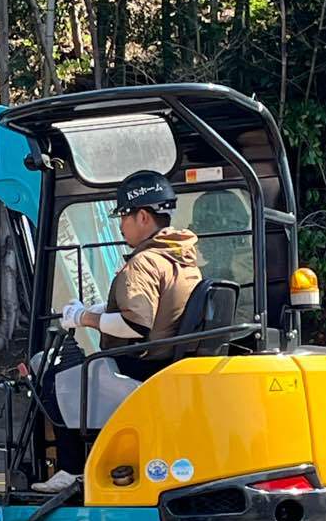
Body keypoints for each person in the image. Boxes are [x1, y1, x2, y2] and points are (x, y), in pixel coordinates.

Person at [33, 170, 201, 493]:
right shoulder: (181, 258)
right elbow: (156, 309)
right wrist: (96, 311)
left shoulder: (144, 262)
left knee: (56, 374)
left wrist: (84, 318)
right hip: (167, 364)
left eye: (123, 216)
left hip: (141, 365)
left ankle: (72, 468)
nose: (120, 225)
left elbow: (135, 324)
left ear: (142, 216)